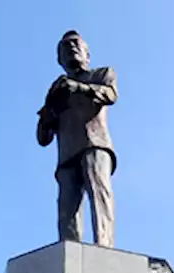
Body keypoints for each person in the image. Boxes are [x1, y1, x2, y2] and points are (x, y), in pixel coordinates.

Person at [36, 30, 118, 247]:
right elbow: (43, 138)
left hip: (95, 145)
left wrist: (78, 88)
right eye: (65, 47)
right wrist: (48, 111)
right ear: (59, 60)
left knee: (100, 196)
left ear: (87, 54)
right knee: (67, 209)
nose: (71, 48)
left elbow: (110, 95)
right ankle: (70, 255)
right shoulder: (56, 89)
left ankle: (104, 247)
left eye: (75, 44)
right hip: (66, 154)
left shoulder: (101, 74)